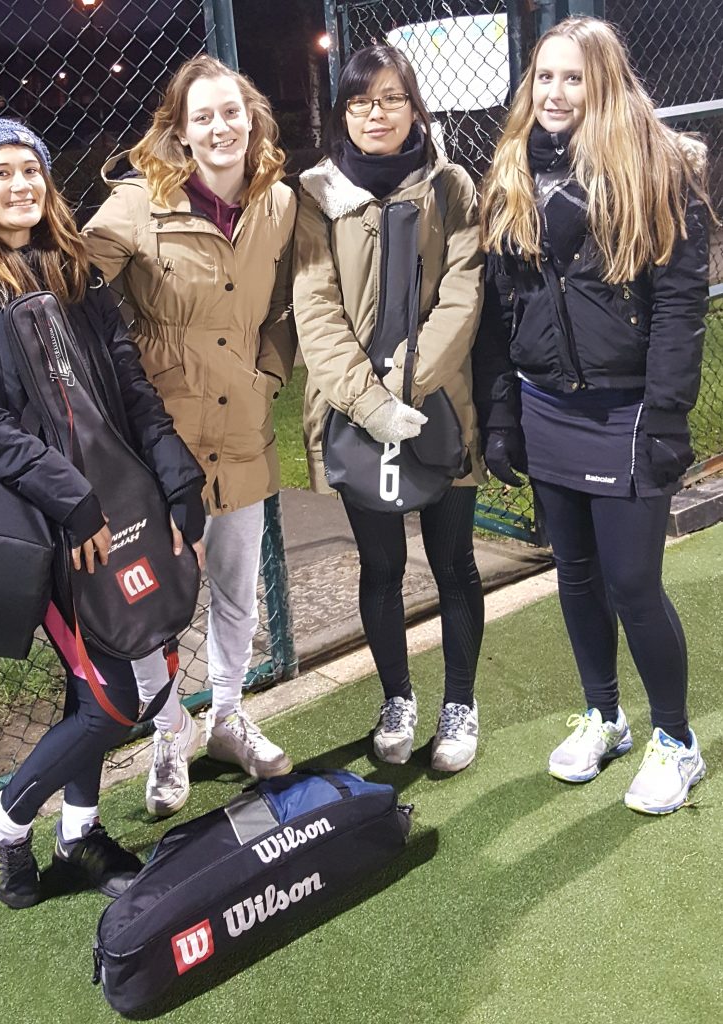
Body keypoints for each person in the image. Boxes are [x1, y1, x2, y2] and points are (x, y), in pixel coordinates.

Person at [0, 56, 298, 817]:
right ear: (181, 131)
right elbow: (53, 274)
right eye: (203, 117)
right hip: (140, 456)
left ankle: (225, 716)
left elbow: (287, 306)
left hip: (238, 430)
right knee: (148, 609)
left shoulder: (280, 203)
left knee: (234, 588)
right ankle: (168, 734)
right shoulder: (127, 213)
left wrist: (268, 374)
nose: (221, 127)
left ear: (252, 117)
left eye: (233, 111)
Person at [0, 118, 207, 909]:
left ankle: (77, 832)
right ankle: (3, 822)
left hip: (124, 497)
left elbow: (129, 380)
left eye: (31, 171)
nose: (21, 187)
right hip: (50, 517)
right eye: (1, 174)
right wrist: (71, 502)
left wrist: (178, 475)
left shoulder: (74, 267)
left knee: (131, 672)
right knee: (116, 693)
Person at [474, 17, 712, 813]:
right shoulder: (511, 171)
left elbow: (680, 310)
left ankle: (676, 740)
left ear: (604, 81)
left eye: (573, 78)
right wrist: (502, 416)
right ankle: (604, 714)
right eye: (544, 77)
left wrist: (669, 418)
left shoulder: (659, 171)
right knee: (573, 576)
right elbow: (502, 310)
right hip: (546, 406)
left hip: (629, 411)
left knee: (633, 581)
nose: (555, 93)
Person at [292, 46, 486, 771]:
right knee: (380, 566)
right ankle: (397, 696)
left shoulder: (451, 185)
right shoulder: (316, 194)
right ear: (343, 112)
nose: (376, 114)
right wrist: (370, 403)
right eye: (360, 102)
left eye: (391, 98)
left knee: (454, 562)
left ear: (414, 107)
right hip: (355, 416)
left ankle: (459, 703)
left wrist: (407, 386)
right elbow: (314, 307)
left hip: (442, 404)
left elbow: (464, 293)